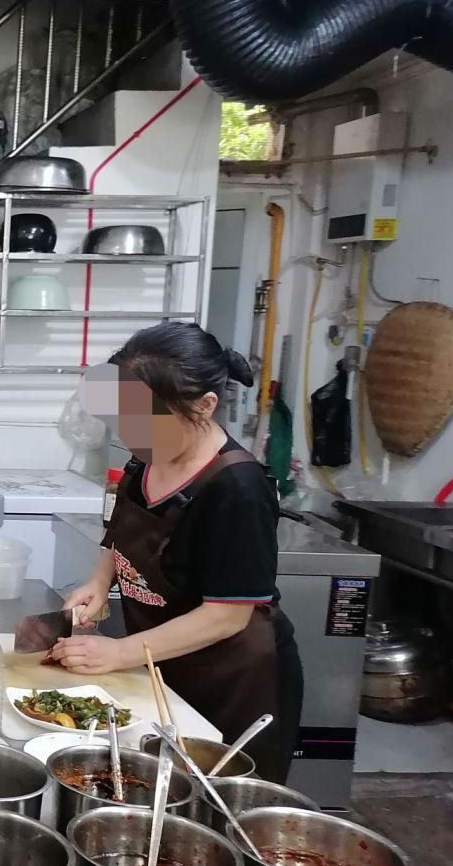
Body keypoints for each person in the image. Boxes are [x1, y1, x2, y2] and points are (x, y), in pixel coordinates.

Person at [48, 322, 302, 782]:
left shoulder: (237, 488)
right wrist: (100, 581)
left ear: (205, 405)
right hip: (162, 662)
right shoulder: (148, 455)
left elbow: (227, 616)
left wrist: (119, 652)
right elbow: (124, 526)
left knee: (213, 803)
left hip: (232, 682)